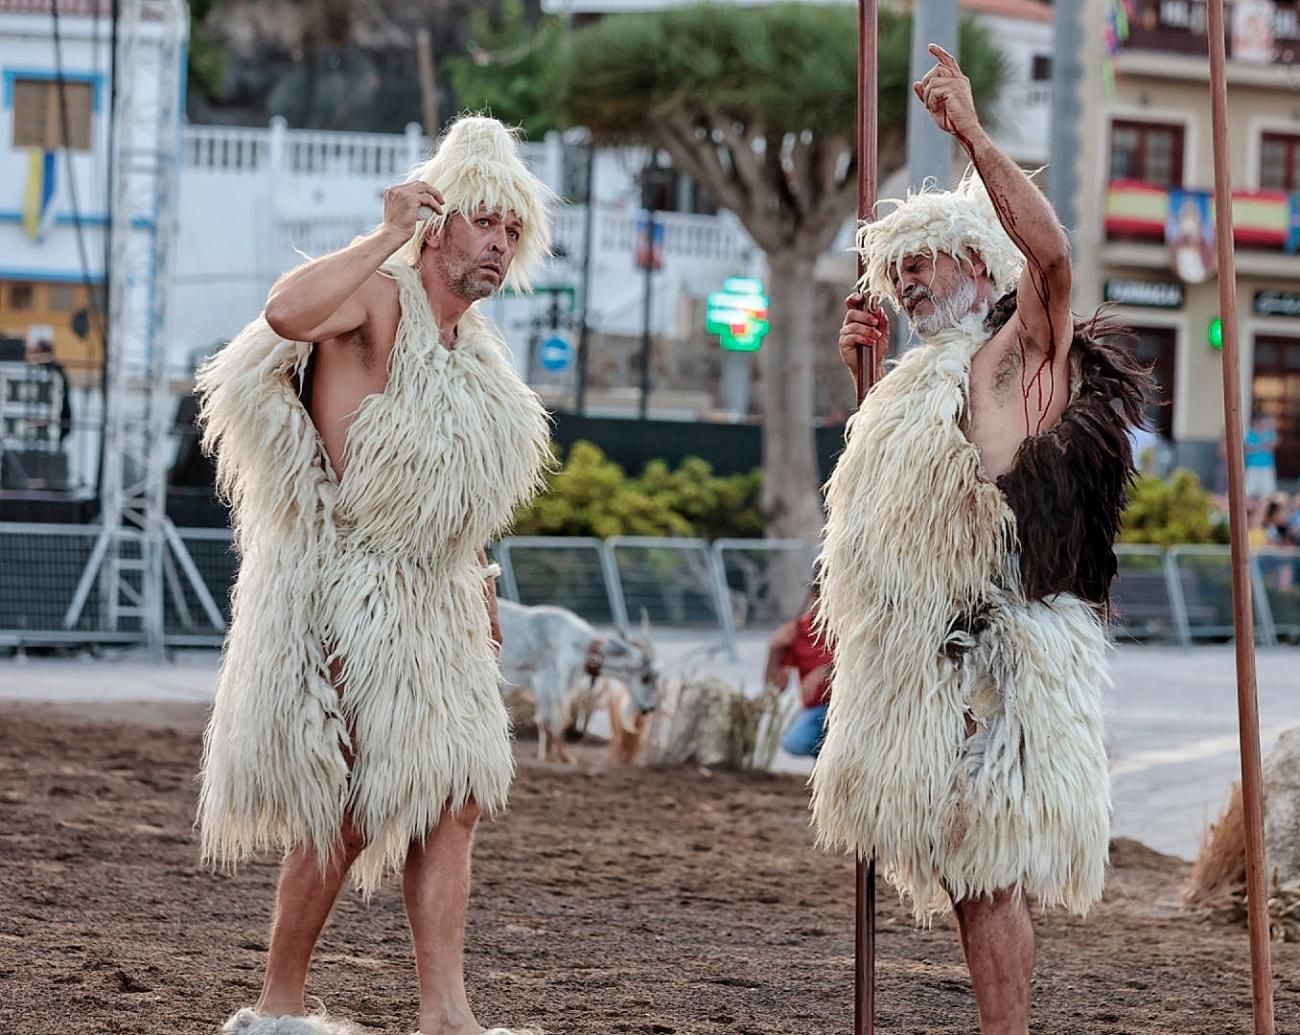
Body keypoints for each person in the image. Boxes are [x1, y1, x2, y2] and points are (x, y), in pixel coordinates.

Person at [816, 46, 1152, 1035]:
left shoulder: (1015, 359)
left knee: (987, 870)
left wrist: (967, 131)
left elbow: (1051, 260)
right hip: (923, 663)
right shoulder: (913, 382)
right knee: (967, 876)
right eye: (897, 265)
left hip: (993, 662)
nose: (908, 279)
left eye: (926, 260)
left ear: (975, 265)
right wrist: (856, 384)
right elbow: (892, 508)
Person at [195, 116, 554, 1035]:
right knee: (348, 801)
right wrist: (386, 231)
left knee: (456, 795)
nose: (500, 243)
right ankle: (277, 1005)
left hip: (434, 598)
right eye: (485, 222)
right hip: (347, 590)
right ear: (440, 222)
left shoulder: (474, 354)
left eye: (512, 230)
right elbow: (282, 313)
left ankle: (446, 1014)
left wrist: (478, 586)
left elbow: (448, 497)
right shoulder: (379, 299)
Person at [762, 583, 834, 758]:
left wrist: (826, 671)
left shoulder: (852, 627)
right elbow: (778, 686)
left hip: (849, 709)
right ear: (813, 596)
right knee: (793, 742)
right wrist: (774, 650)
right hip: (817, 709)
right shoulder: (797, 631)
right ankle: (824, 758)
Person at [1244, 411, 1279, 501]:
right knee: (1249, 490)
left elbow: (1272, 445)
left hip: (1266, 466)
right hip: (1252, 466)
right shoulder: (1250, 433)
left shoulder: (1270, 433)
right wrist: (1262, 445)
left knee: (1267, 492)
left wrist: (1256, 446)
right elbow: (1246, 448)